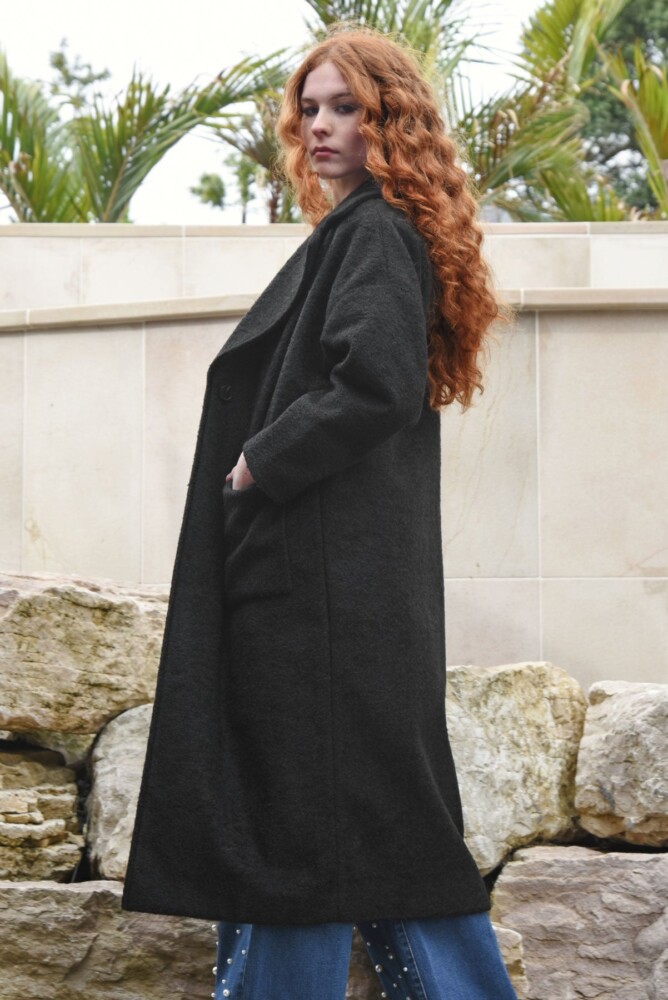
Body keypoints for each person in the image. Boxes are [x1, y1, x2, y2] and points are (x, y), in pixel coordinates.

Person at [121, 23, 517, 1000]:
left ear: (394, 122)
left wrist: (261, 462)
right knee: (358, 830)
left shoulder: (372, 233)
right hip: (329, 596)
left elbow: (373, 383)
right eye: (310, 109)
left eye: (349, 107)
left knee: (304, 835)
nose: (322, 126)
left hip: (323, 602)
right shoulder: (362, 234)